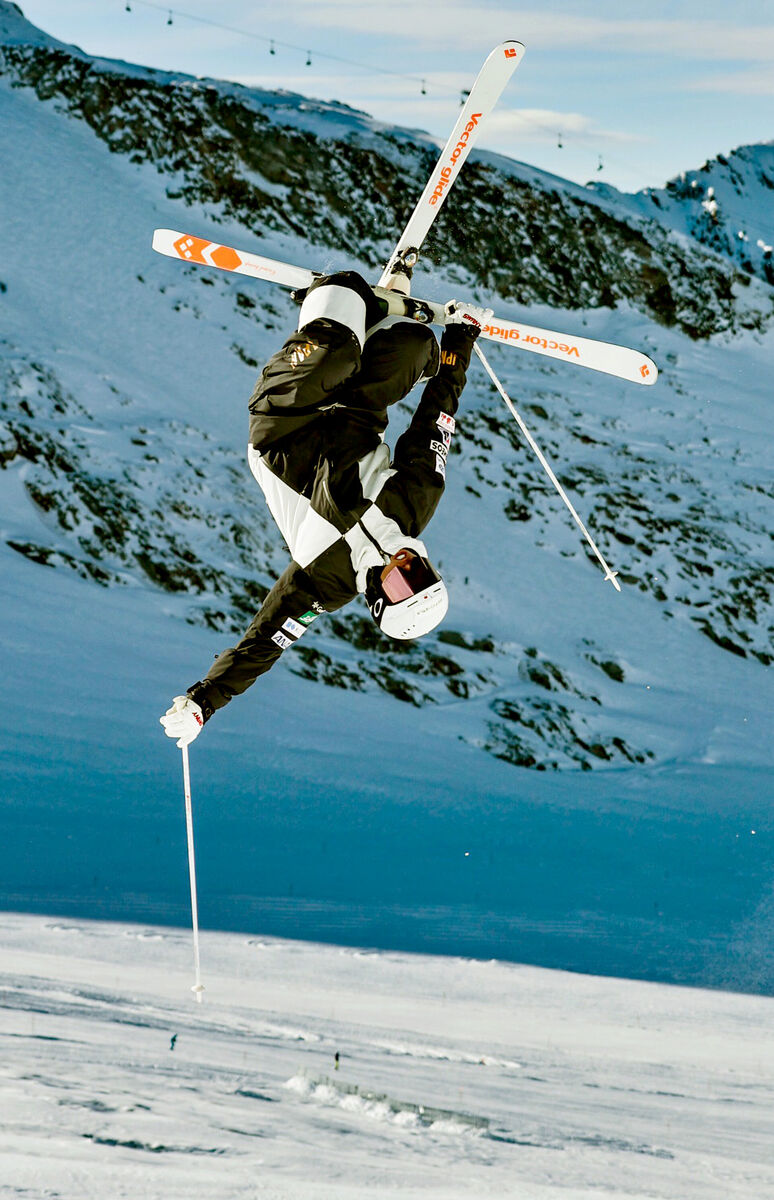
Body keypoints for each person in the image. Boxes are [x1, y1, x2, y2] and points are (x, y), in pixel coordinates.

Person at [160, 271, 491, 748]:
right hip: (356, 408)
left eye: (404, 584)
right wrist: (460, 341)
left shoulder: (323, 582)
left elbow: (262, 646)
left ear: (379, 597)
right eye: (421, 572)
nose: (405, 564)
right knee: (418, 345)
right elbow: (437, 419)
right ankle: (371, 325)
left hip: (283, 426)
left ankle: (336, 305)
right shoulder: (417, 498)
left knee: (337, 338)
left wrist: (203, 703)